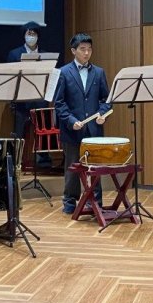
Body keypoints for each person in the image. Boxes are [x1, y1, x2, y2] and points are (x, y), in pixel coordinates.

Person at [54, 33, 110, 215]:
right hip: (72, 129)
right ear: (73, 51)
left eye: (89, 49)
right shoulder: (63, 72)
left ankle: (95, 201)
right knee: (72, 167)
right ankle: (70, 201)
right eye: (82, 49)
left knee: (95, 167)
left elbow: (106, 100)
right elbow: (59, 103)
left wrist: (103, 114)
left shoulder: (99, 72)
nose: (86, 53)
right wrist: (71, 121)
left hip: (94, 129)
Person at [7, 21, 47, 142]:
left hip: (40, 101)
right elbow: (10, 78)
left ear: (38, 36)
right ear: (24, 35)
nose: (31, 36)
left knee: (41, 136)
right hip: (20, 103)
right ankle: (18, 154)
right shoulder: (14, 54)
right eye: (29, 34)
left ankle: (41, 154)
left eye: (34, 34)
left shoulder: (45, 55)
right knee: (19, 137)